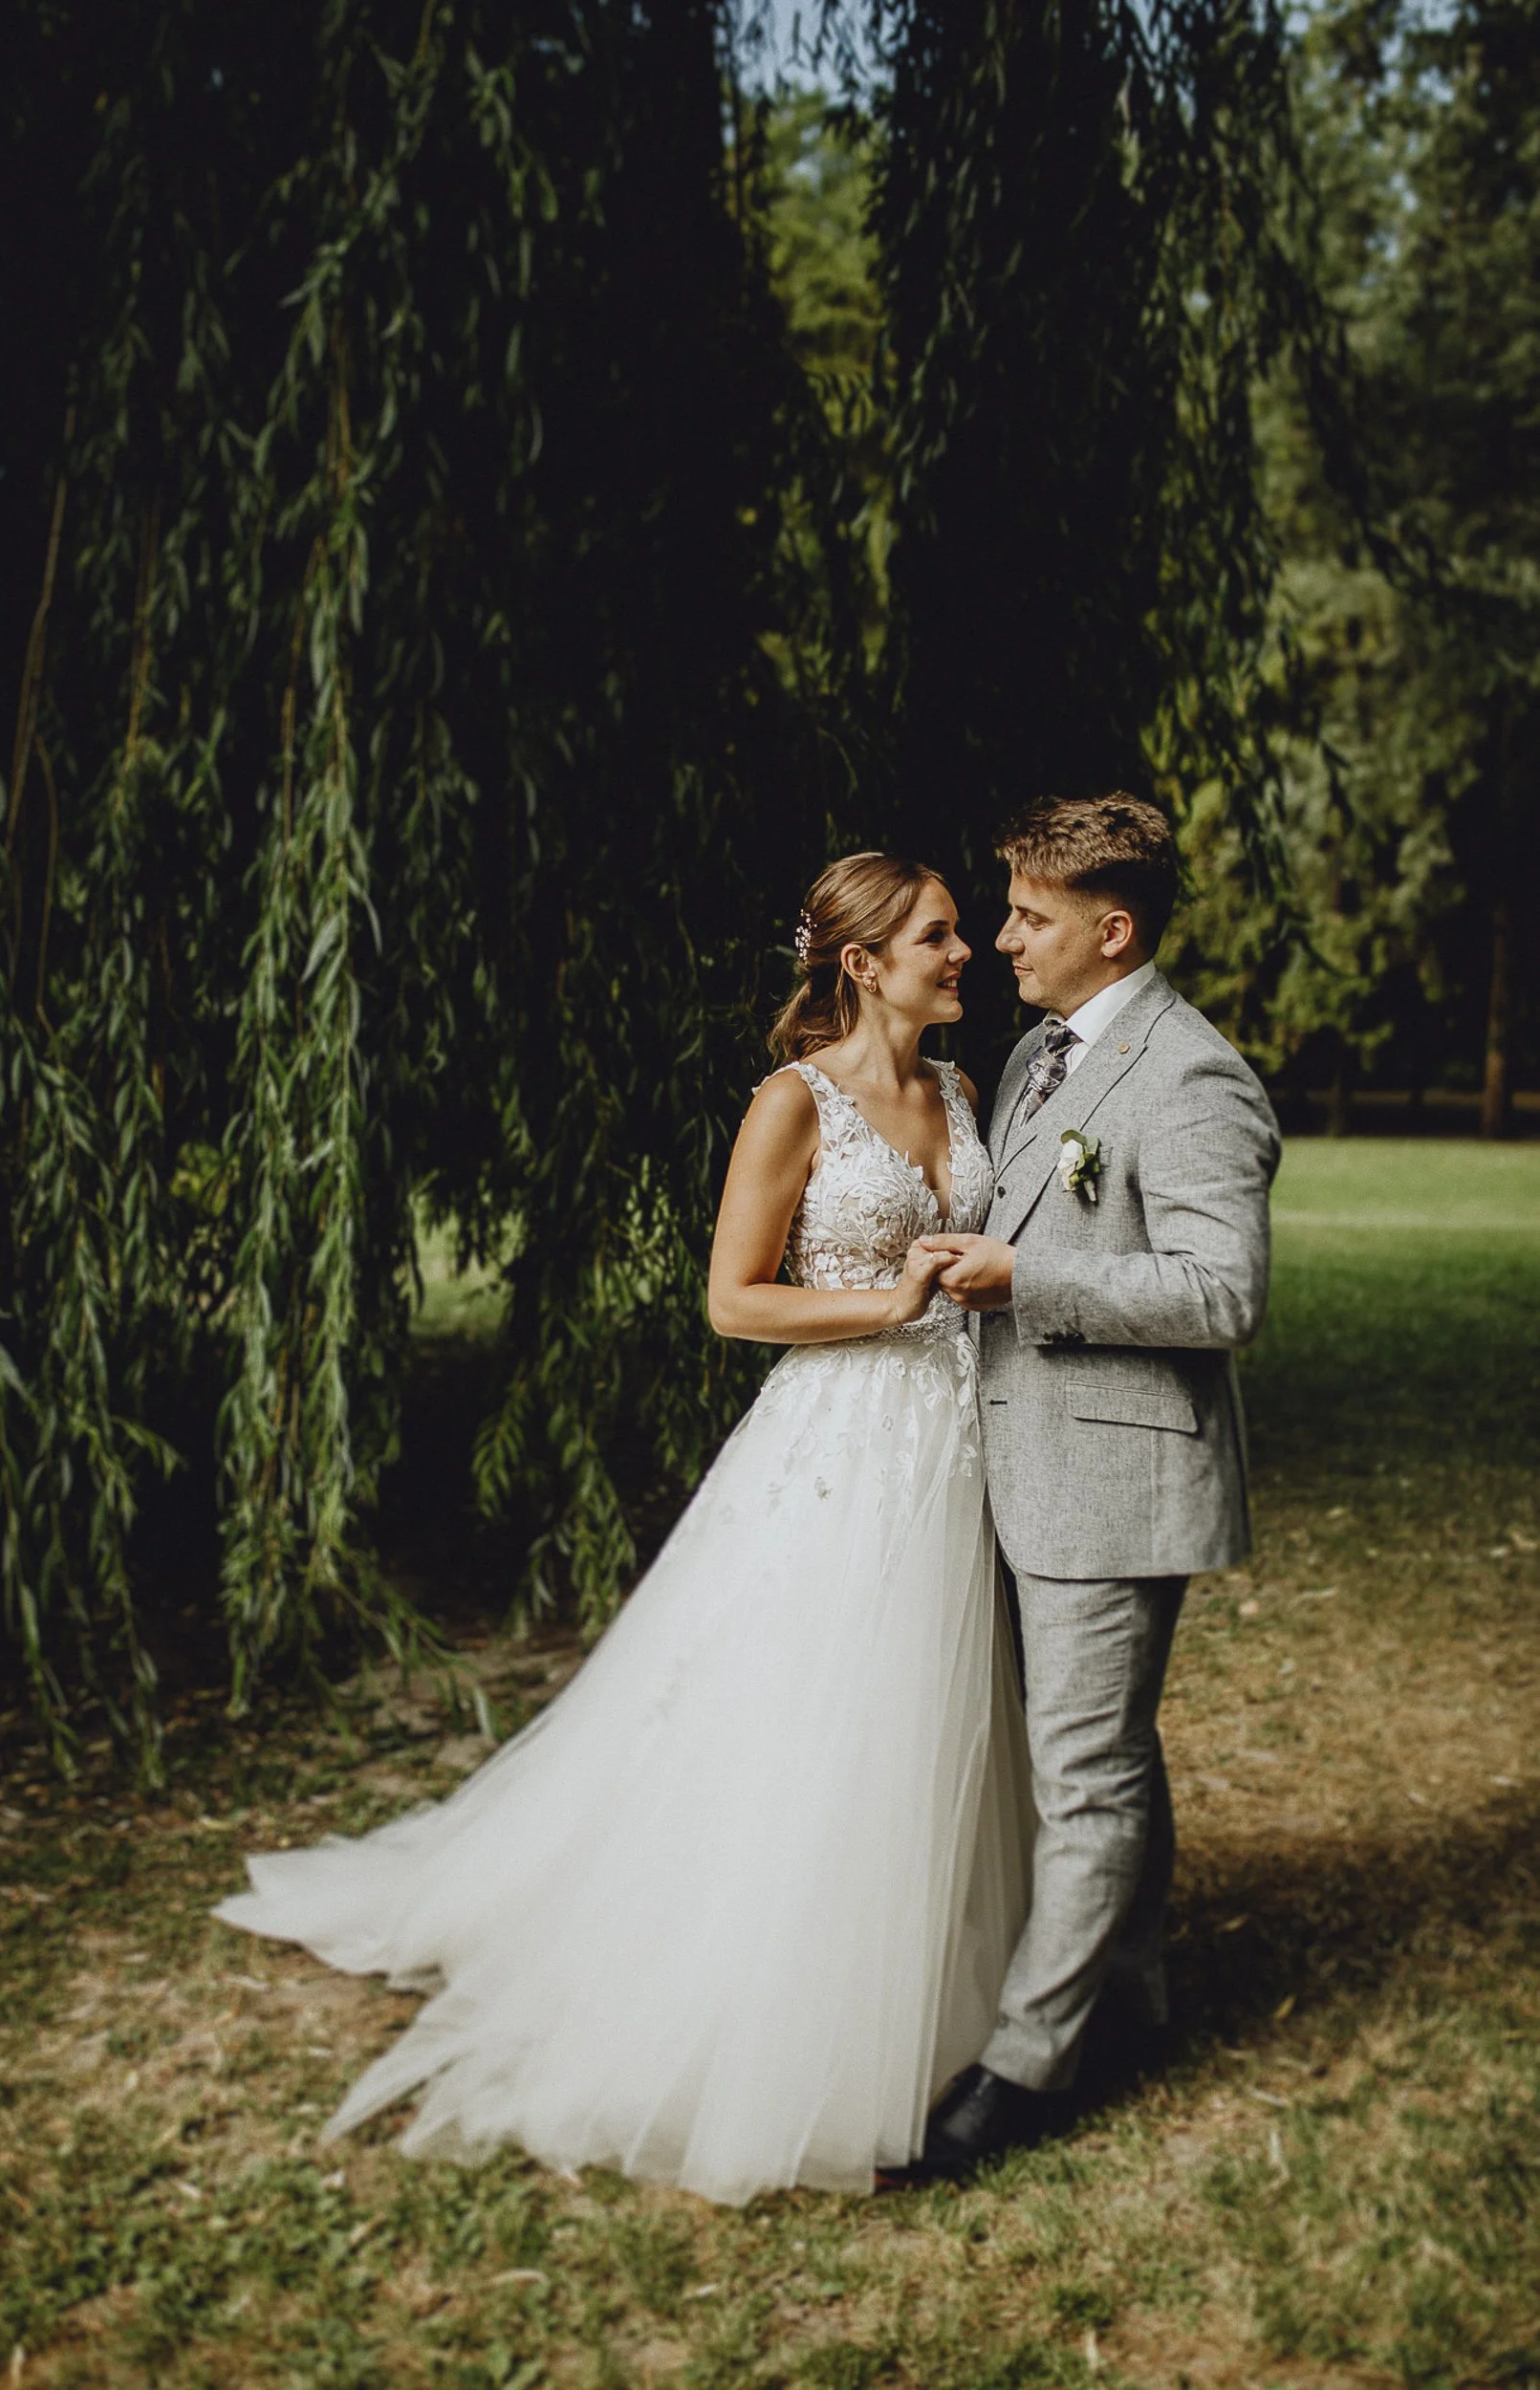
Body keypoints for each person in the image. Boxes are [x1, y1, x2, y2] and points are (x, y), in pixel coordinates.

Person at [214, 852, 1034, 2206]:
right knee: (815, 1721)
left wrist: (973, 1298)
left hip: (953, 1446)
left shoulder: (957, 1087)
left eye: (958, 937)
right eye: (941, 937)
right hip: (838, 1447)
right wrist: (882, 1307)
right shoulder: (793, 1103)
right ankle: (782, 2016)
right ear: (863, 963)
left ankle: (940, 2001)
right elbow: (732, 1300)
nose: (966, 955)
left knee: (929, 1713)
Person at [912, 792, 1280, 2178]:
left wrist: (1031, 1279)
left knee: (1082, 1767)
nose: (1000, 938)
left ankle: (1026, 2066)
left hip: (1110, 1482)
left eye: (1029, 916)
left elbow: (1222, 1292)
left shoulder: (1190, 1077)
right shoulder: (1030, 1063)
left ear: (1110, 930)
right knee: (1100, 1750)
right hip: (1022, 1457)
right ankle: (1127, 2002)